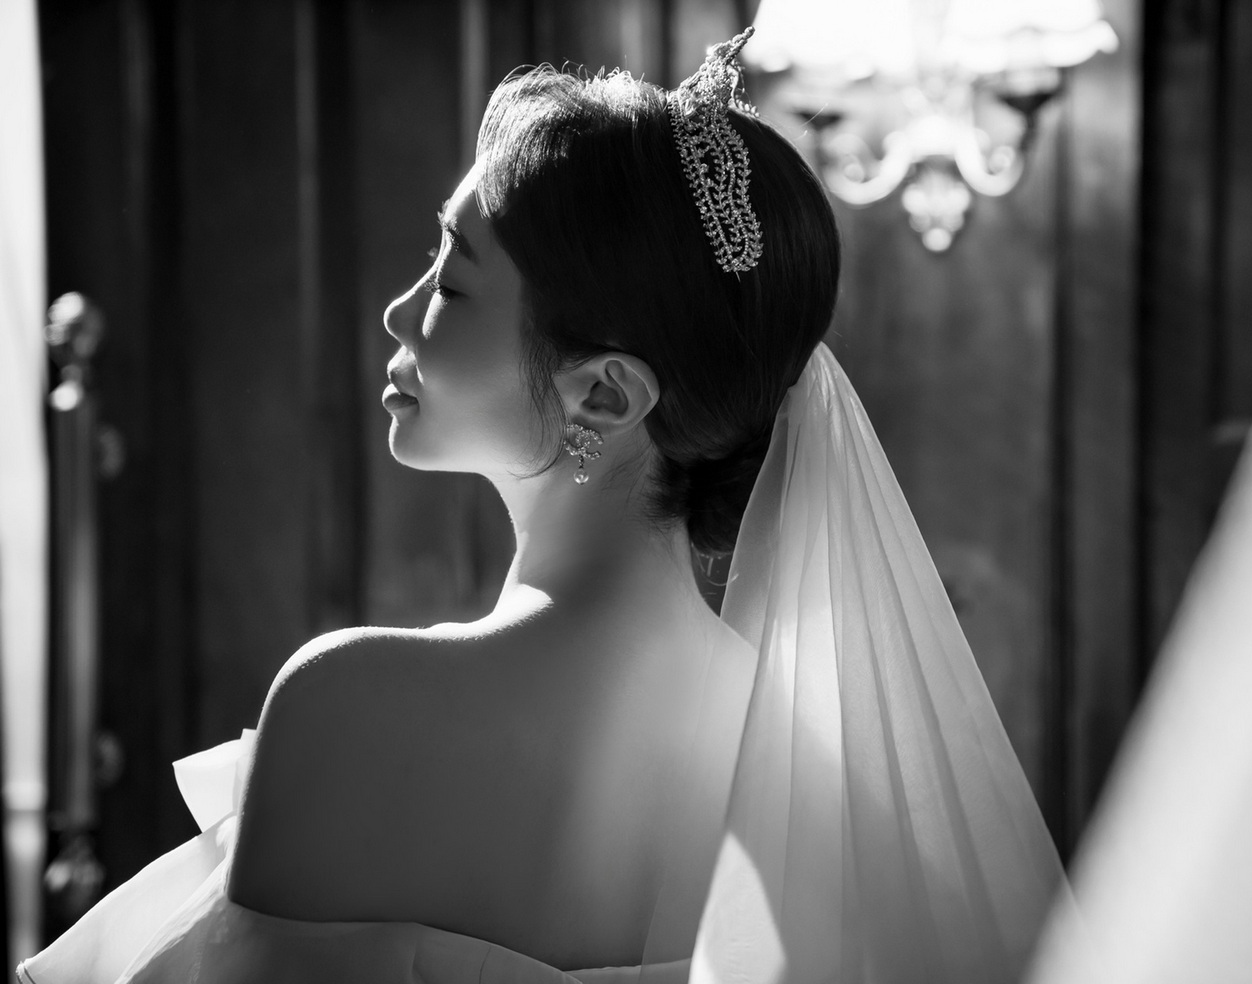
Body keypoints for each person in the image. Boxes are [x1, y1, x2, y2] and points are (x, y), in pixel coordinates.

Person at [19, 30, 1066, 984]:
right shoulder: (810, 772)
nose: (397, 312)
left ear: (603, 394)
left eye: (452, 283)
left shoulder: (348, 707)